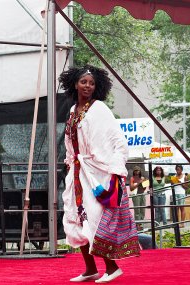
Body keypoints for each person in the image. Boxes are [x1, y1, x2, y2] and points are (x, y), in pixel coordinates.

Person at [59, 65, 140, 283]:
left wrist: (114, 170)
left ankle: (112, 267)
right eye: (83, 82)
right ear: (75, 83)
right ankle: (90, 269)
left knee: (93, 218)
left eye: (91, 83)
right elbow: (70, 142)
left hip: (97, 173)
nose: (87, 86)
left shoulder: (100, 109)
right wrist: (70, 163)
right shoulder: (73, 110)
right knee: (76, 219)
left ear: (97, 87)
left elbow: (117, 141)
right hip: (77, 172)